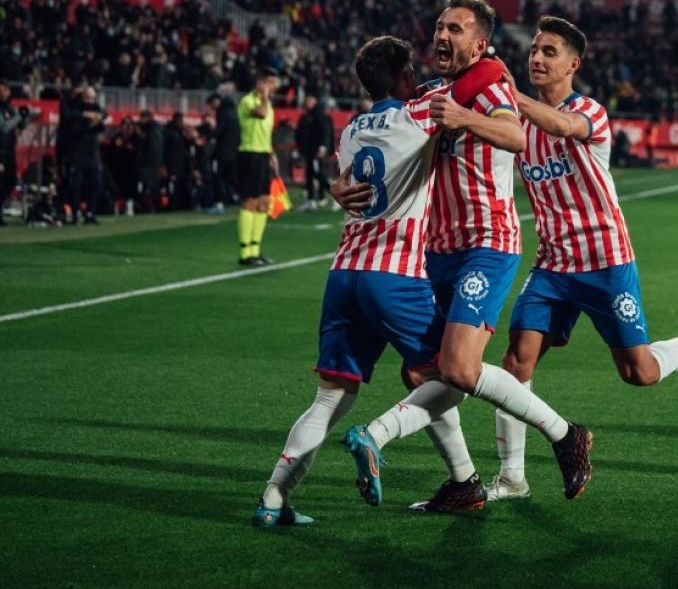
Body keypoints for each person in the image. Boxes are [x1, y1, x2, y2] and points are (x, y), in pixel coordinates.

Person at [252, 36, 589, 528]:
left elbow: (344, 179)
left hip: (343, 274)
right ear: (407, 78)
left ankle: (273, 499)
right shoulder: (418, 115)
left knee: (331, 397)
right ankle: (559, 433)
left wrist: (333, 185)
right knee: (456, 374)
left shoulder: (351, 130)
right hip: (394, 274)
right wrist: (487, 55)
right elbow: (479, 80)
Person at [480, 15, 678, 501]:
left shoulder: (590, 111)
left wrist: (508, 94)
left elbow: (563, 124)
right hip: (554, 266)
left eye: (549, 52)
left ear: (573, 64)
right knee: (516, 362)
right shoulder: (517, 125)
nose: (537, 58)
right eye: (534, 50)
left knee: (638, 372)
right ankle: (513, 476)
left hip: (605, 261)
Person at [335, 0, 555, 513]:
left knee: (457, 365)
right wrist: (335, 186)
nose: (442, 35)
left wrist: (462, 114)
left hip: (487, 240)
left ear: (479, 43)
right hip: (436, 250)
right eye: (439, 26)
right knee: (419, 371)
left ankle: (563, 434)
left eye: (456, 28)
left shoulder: (489, 86)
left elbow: (514, 135)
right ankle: (464, 481)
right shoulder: (435, 91)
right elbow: (376, 144)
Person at [236, 70, 280, 266]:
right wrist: (263, 97)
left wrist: (271, 154)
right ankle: (245, 253)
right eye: (271, 83)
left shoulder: (268, 103)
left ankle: (256, 250)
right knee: (250, 201)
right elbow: (260, 115)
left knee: (264, 202)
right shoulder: (249, 101)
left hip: (263, 155)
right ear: (261, 83)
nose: (274, 87)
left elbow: (265, 132)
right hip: (250, 155)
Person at [62, 86, 108, 225]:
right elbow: (72, 125)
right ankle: (75, 214)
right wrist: (88, 119)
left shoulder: (96, 109)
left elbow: (103, 116)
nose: (89, 100)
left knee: (97, 184)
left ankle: (90, 213)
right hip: (77, 153)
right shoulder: (75, 110)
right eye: (87, 97)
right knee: (76, 185)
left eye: (92, 98)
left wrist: (97, 120)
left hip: (93, 153)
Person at [294, 93, 333, 210]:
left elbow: (324, 132)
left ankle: (337, 195)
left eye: (309, 100)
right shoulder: (308, 115)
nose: (306, 102)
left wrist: (322, 147)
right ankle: (311, 200)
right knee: (310, 174)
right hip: (310, 150)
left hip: (316, 150)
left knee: (318, 173)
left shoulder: (319, 114)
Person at [0, 82, 30, 226]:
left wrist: (24, 118)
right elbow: (4, 127)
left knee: (10, 182)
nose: (3, 92)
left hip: (9, 151)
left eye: (5, 89)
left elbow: (20, 125)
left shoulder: (10, 107)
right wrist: (18, 116)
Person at [207, 92, 241, 210]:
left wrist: (209, 133)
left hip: (223, 152)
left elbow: (220, 130)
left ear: (216, 101)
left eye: (212, 105)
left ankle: (219, 201)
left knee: (218, 176)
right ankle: (241, 196)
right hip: (234, 151)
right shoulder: (233, 112)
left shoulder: (222, 112)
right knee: (231, 176)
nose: (212, 108)